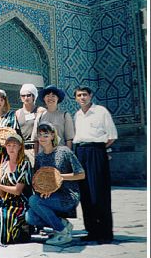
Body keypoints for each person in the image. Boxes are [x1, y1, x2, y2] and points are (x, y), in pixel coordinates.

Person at [27, 121, 85, 246]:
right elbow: (38, 180)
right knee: (30, 217)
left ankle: (62, 232)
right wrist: (43, 191)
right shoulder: (40, 157)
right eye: (40, 135)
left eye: (46, 135)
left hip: (68, 196)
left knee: (33, 200)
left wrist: (59, 177)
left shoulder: (64, 152)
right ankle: (63, 224)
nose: (42, 138)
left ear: (53, 136)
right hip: (49, 195)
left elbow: (81, 174)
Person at [73, 86, 118, 244]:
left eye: (85, 95)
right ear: (76, 98)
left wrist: (98, 150)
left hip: (96, 151)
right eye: (79, 95)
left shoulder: (101, 111)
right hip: (81, 152)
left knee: (99, 192)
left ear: (90, 96)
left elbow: (111, 136)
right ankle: (92, 231)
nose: (82, 98)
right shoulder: (77, 115)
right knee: (85, 193)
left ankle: (105, 233)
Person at [34, 85, 75, 149]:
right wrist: (36, 157)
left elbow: (69, 139)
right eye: (47, 96)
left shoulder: (65, 115)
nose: (50, 98)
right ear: (44, 99)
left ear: (58, 98)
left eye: (53, 96)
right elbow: (35, 140)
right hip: (43, 155)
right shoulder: (40, 116)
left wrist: (67, 155)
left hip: (59, 153)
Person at [15, 83, 45, 167]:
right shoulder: (17, 113)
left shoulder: (40, 111)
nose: (26, 98)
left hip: (36, 149)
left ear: (33, 96)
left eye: (28, 95)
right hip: (21, 150)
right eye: (23, 96)